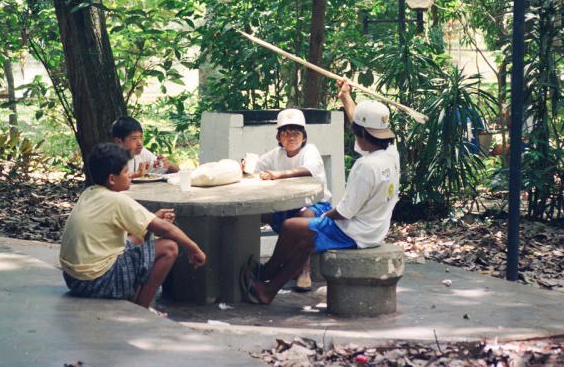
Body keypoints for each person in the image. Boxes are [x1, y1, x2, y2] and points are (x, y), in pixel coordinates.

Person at [241, 81, 400, 305]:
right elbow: (359, 121)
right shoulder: (391, 152)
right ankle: (268, 290)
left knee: (291, 226)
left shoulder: (365, 167)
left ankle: (266, 273)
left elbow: (344, 212)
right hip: (374, 228)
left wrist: (324, 217)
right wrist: (345, 96)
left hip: (353, 232)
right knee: (305, 240)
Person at [60, 143, 206, 312]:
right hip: (97, 281)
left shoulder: (90, 193)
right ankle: (141, 309)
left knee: (137, 237)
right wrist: (194, 249)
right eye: (125, 171)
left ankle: (132, 296)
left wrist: (153, 217)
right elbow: (165, 229)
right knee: (169, 247)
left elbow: (132, 229)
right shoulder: (117, 201)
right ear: (112, 179)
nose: (130, 174)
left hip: (74, 280)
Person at [246, 108, 332, 292]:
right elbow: (255, 168)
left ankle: (304, 271)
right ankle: (250, 264)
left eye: (296, 132)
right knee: (252, 214)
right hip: (286, 207)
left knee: (304, 216)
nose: (291, 137)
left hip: (315, 204)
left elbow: (308, 170)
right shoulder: (275, 155)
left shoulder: (310, 151)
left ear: (304, 136)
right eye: (285, 132)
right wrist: (245, 166)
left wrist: (279, 174)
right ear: (278, 137)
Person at [111, 116, 179, 178]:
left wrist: (168, 165)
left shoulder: (141, 153)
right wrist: (136, 175)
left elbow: (177, 171)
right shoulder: (108, 158)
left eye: (141, 137)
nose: (140, 143)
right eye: (134, 138)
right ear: (118, 142)